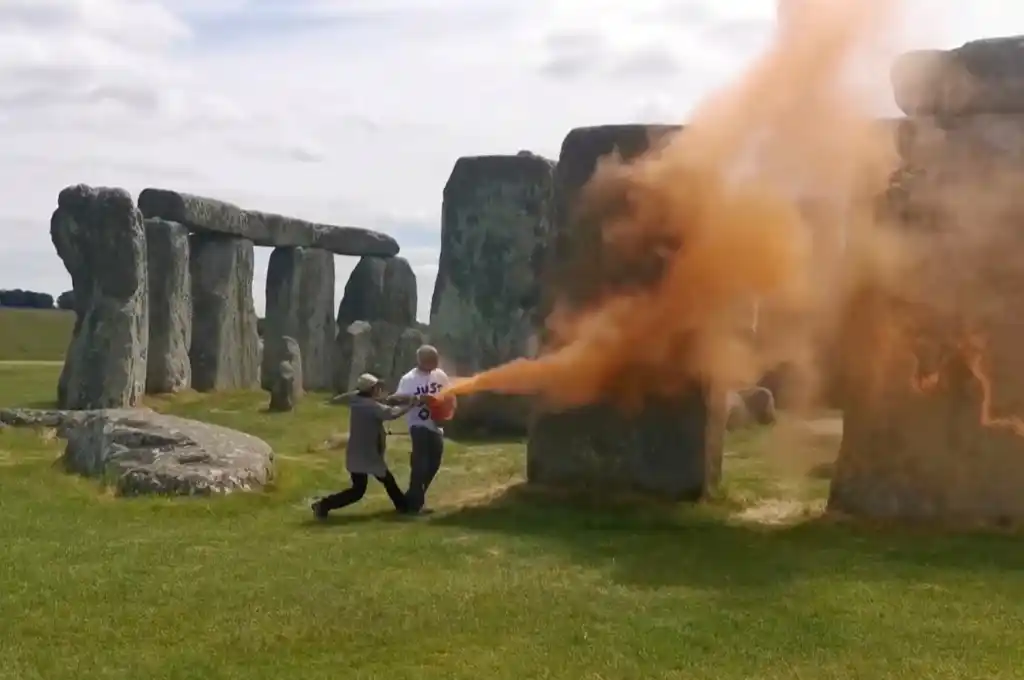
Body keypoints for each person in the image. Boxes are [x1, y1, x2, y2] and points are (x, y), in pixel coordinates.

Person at [312, 373, 421, 519]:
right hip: (368, 454)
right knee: (384, 481)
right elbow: (390, 413)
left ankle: (323, 505)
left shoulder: (356, 399)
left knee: (360, 489)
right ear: (370, 389)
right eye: (376, 387)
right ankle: (404, 507)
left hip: (356, 452)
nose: (378, 389)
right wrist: (410, 405)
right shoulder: (371, 406)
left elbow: (346, 397)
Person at [386, 345, 454, 514]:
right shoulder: (409, 379)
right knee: (420, 464)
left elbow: (449, 396)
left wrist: (446, 411)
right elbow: (394, 399)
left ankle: (412, 499)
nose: (436, 363)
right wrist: (416, 398)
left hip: (436, 425)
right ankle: (415, 505)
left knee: (434, 463)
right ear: (422, 361)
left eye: (436, 359)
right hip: (418, 424)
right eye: (432, 360)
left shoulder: (440, 375)